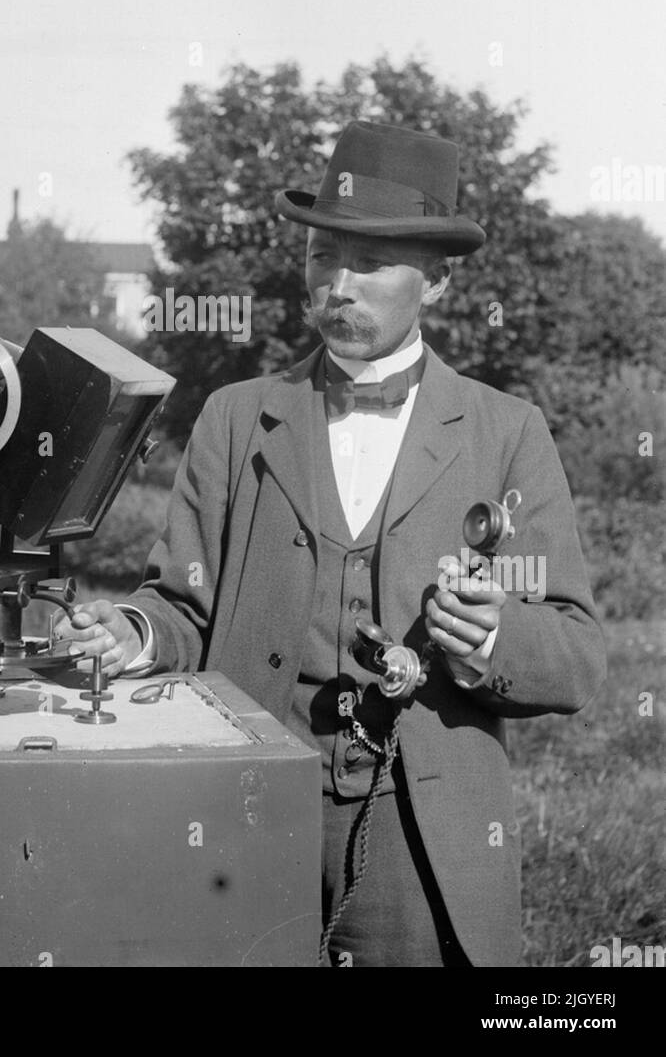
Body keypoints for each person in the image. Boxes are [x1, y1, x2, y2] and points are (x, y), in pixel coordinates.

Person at [54, 120, 606, 967]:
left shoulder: (506, 434)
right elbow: (182, 605)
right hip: (246, 807)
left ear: (440, 280)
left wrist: (490, 636)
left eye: (371, 263)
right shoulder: (236, 419)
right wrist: (134, 634)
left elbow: (576, 655)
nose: (338, 287)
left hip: (420, 834)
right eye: (321, 259)